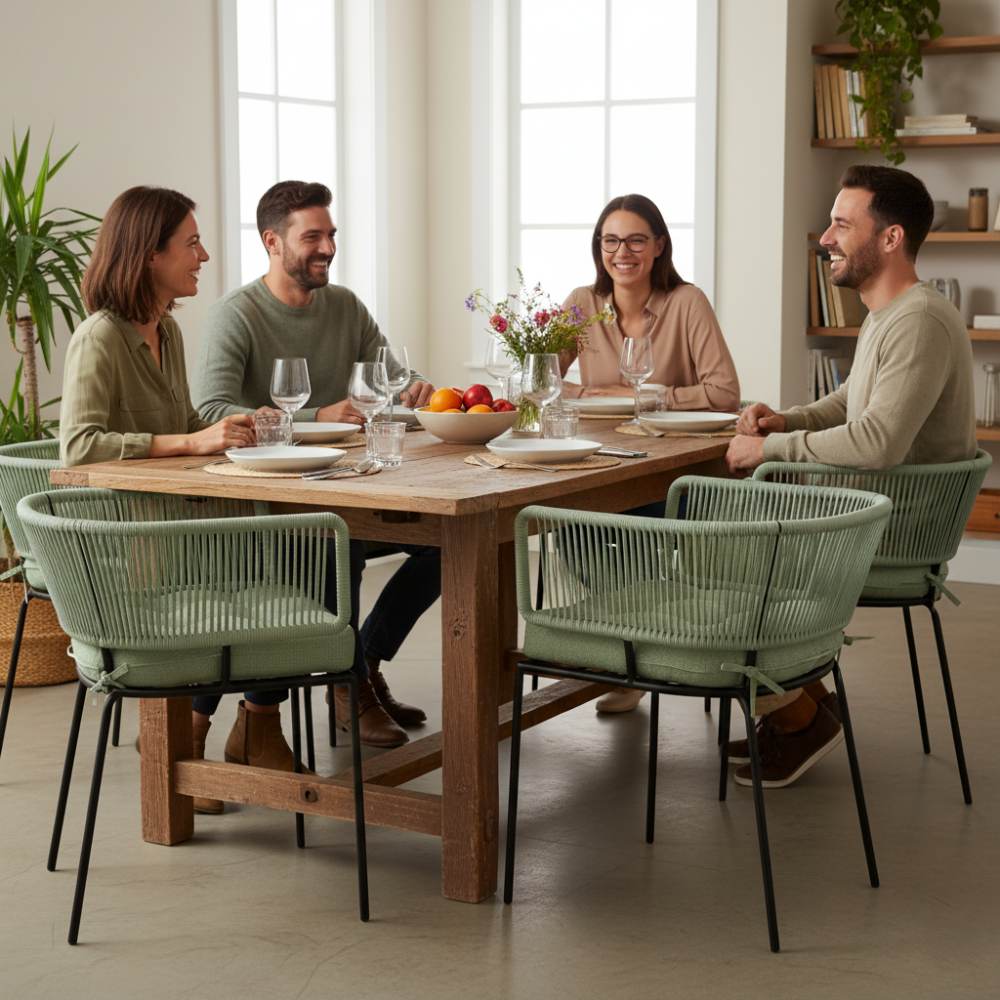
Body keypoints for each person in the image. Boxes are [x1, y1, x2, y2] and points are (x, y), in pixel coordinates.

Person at [60, 185, 311, 816]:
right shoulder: (99, 338)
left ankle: (255, 725)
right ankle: (234, 732)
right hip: (136, 551)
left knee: (306, 549)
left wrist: (229, 426)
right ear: (149, 254)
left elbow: (182, 421)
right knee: (294, 557)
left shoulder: (166, 330)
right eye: (191, 243)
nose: (203, 255)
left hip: (180, 528)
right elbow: (80, 446)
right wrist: (191, 438)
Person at [724, 164, 976, 788]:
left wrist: (774, 450)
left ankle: (798, 715)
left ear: (889, 239)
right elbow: (851, 407)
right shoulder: (887, 316)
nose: (825, 238)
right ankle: (800, 704)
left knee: (716, 558)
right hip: (874, 513)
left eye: (842, 223)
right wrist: (787, 417)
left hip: (888, 529)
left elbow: (878, 441)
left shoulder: (917, 321)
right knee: (723, 531)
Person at [195, 180, 439, 749]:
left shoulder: (346, 305)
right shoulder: (235, 315)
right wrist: (312, 414)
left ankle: (365, 664)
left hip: (348, 480)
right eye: (313, 236)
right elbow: (211, 408)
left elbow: (390, 376)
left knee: (446, 543)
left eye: (331, 234)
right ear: (272, 243)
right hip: (270, 502)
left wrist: (414, 387)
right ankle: (350, 688)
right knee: (341, 542)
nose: (327, 247)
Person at [561, 193, 740, 713]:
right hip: (601, 464)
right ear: (599, 248)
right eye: (611, 240)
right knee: (572, 529)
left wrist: (638, 395)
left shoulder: (687, 301)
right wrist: (564, 388)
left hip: (674, 474)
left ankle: (632, 657)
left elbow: (725, 393)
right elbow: (539, 378)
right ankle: (635, 647)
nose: (623, 251)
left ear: (659, 245)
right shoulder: (582, 304)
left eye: (637, 239)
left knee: (632, 534)